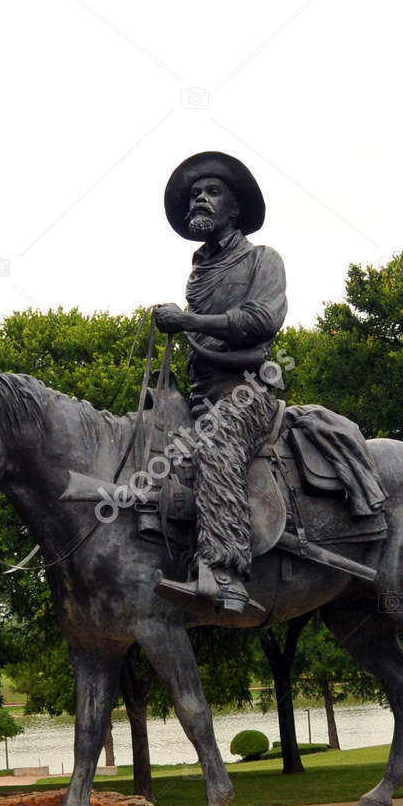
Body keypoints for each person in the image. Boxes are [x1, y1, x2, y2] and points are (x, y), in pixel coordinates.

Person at [152, 151, 287, 614]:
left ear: (235, 208)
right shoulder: (199, 273)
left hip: (246, 394)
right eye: (196, 195)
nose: (201, 201)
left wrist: (186, 319)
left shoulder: (262, 261)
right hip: (199, 396)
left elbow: (261, 319)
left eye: (212, 192)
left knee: (216, 442)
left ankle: (226, 573)